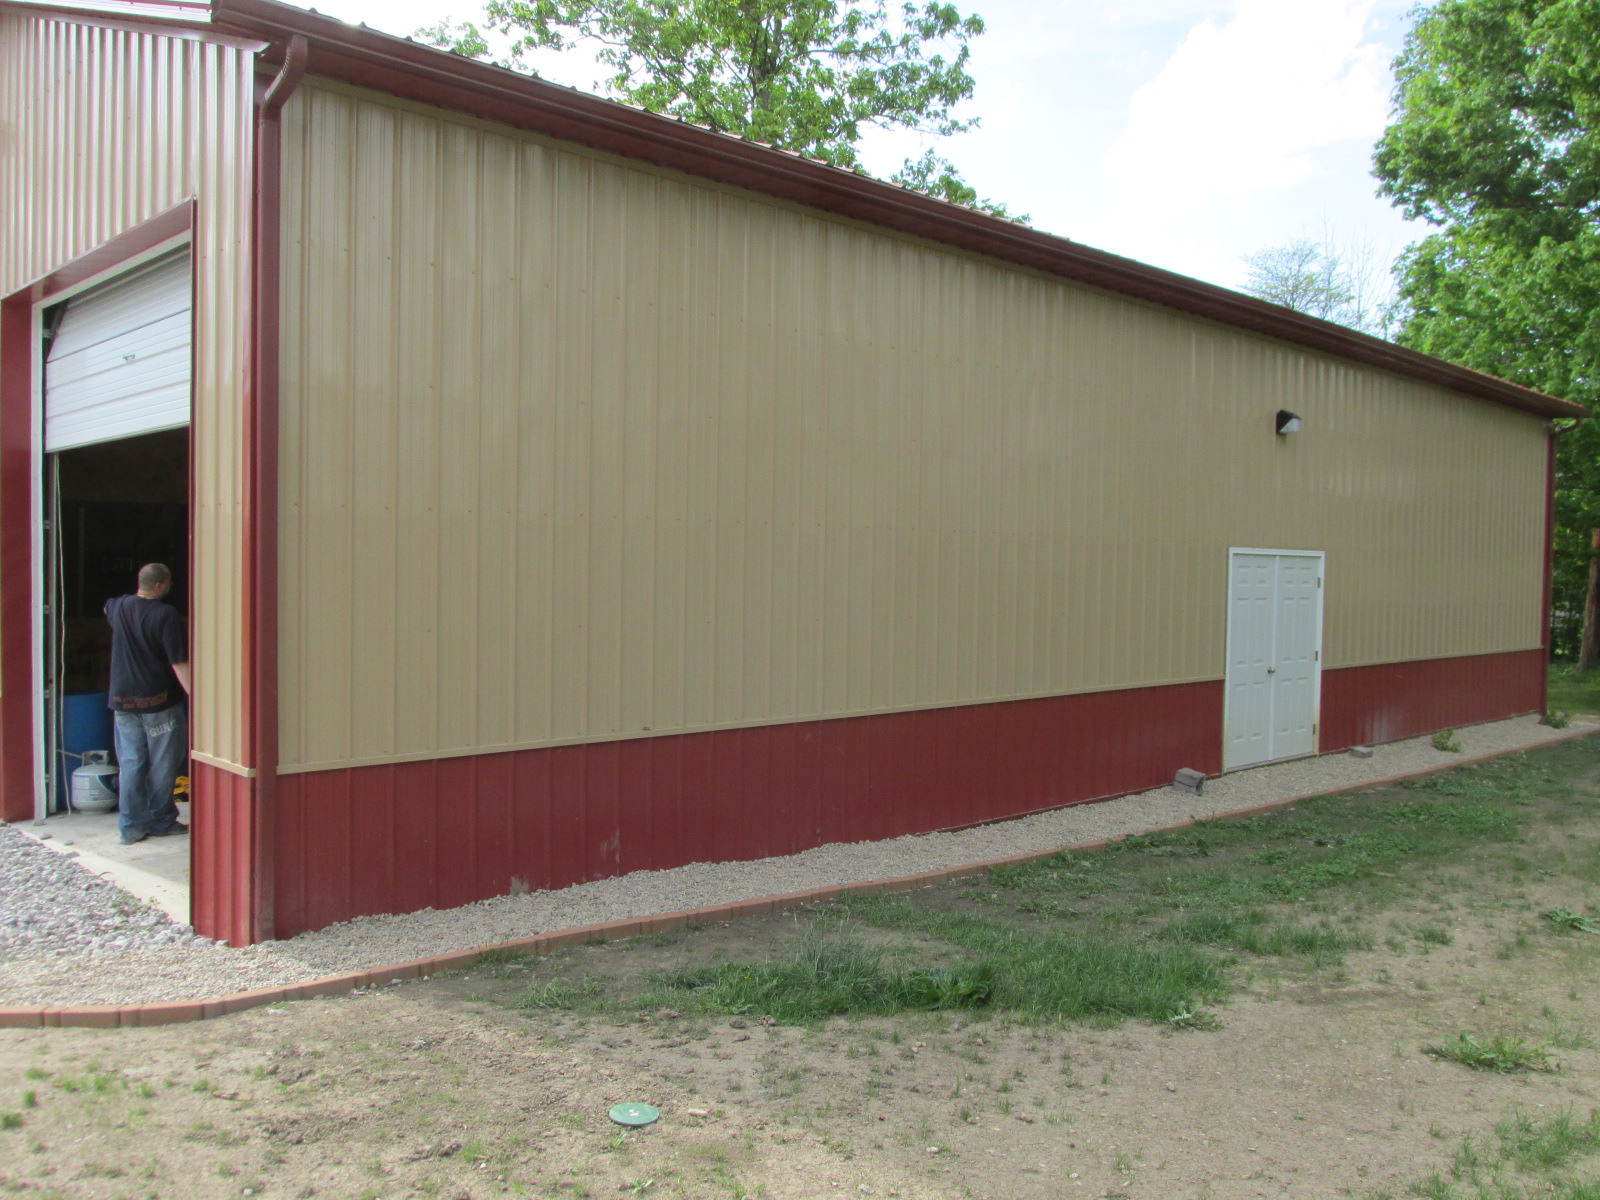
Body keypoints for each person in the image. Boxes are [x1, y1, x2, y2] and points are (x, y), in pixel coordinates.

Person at [105, 562, 190, 845]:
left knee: (131, 763)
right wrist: (195, 696)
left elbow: (106, 608)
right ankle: (162, 819)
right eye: (168, 584)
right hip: (159, 703)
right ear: (159, 586)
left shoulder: (117, 607)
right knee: (163, 763)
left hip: (122, 702)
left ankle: (130, 827)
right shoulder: (166, 615)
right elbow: (178, 662)